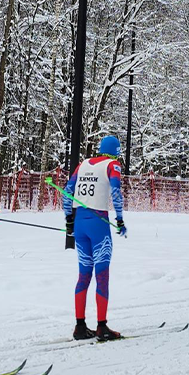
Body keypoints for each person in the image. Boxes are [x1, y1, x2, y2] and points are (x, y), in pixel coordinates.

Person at [64, 135, 127, 341]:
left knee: (84, 275)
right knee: (102, 275)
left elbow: (67, 192)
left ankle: (80, 326)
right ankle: (102, 327)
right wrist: (120, 220)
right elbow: (116, 192)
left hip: (80, 224)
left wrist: (69, 221)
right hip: (98, 224)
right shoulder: (113, 165)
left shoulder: (82, 164)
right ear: (116, 151)